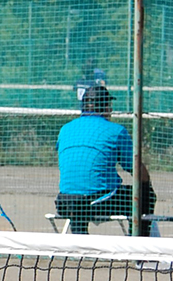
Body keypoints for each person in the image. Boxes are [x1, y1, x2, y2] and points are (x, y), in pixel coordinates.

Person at [55, 85, 155, 236]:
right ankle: (138, 246)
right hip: (98, 203)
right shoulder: (116, 131)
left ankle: (79, 238)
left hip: (64, 202)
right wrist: (147, 184)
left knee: (80, 194)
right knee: (145, 195)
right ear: (106, 107)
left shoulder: (65, 129)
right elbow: (134, 167)